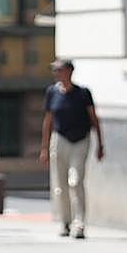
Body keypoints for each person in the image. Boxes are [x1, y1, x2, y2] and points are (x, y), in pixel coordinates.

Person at [39, 58, 104, 239]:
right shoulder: (52, 93)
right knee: (60, 185)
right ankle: (65, 221)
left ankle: (80, 223)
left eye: (59, 70)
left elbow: (94, 118)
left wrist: (100, 143)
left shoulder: (83, 93)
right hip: (59, 139)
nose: (56, 74)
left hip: (80, 140)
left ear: (69, 71)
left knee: (75, 181)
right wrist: (44, 147)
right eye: (55, 70)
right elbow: (48, 120)